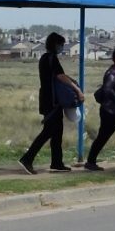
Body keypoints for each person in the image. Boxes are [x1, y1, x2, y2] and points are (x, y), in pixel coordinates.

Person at [19, 32, 82, 174]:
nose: (62, 47)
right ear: (55, 44)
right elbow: (60, 76)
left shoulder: (44, 58)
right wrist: (77, 89)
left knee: (57, 132)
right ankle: (27, 159)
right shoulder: (51, 59)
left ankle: (57, 162)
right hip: (52, 102)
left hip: (49, 100)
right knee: (48, 131)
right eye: (61, 44)